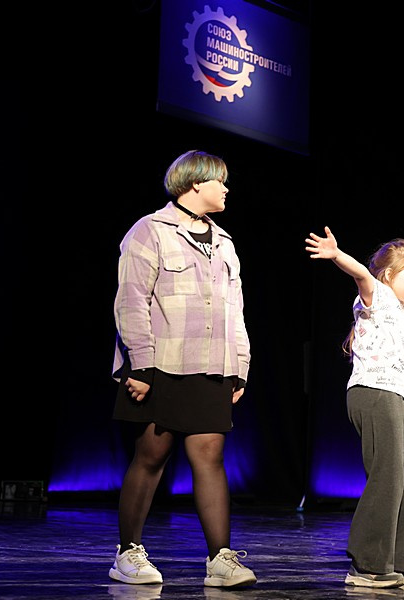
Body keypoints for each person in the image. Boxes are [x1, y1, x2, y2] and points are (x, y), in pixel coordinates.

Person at [109, 150, 257, 588]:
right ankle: (128, 553)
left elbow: (235, 310)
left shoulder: (225, 242)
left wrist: (240, 365)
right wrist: (141, 365)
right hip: (162, 362)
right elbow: (131, 300)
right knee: (152, 454)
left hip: (211, 365)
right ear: (195, 184)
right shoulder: (150, 230)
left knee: (210, 454)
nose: (226, 189)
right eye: (219, 181)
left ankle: (220, 559)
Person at [305, 226, 404, 588]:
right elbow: (362, 273)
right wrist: (337, 254)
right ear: (390, 275)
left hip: (396, 396)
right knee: (388, 475)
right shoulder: (376, 296)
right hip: (372, 392)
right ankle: (368, 565)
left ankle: (403, 561)